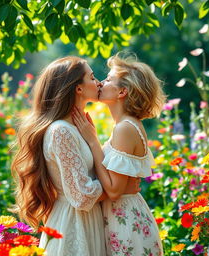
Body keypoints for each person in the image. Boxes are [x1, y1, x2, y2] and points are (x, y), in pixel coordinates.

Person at [10, 56, 140, 256]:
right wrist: (121, 187)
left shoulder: (77, 127)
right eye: (92, 77)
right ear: (78, 88)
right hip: (74, 225)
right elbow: (82, 195)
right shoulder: (61, 130)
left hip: (90, 220)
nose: (98, 83)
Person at [72, 53, 166, 256]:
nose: (100, 83)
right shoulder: (127, 125)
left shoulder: (125, 128)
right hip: (123, 216)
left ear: (122, 91)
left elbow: (114, 191)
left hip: (126, 224)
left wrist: (92, 141)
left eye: (107, 80)